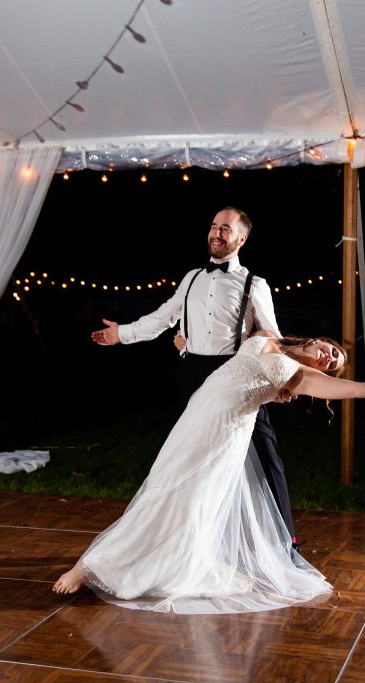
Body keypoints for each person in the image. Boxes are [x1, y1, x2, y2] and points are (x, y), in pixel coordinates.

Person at [53, 333, 365, 613]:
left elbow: (352, 390)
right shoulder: (269, 337)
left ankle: (89, 568)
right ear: (319, 340)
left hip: (223, 433)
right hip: (197, 418)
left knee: (188, 501)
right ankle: (121, 562)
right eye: (331, 351)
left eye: (331, 364)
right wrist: (188, 341)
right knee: (164, 490)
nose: (327, 359)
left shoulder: (298, 374)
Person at [91, 207, 303, 547]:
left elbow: (273, 338)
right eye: (214, 226)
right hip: (193, 374)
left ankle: (285, 539)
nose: (216, 233)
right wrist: (123, 333)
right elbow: (163, 317)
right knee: (193, 457)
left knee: (264, 451)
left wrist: (282, 382)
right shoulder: (191, 278)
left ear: (241, 239)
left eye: (226, 228)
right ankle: (193, 540)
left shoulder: (254, 284)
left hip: (237, 374)